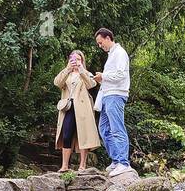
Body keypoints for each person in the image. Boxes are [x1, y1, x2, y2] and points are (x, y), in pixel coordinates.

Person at [92, 28, 132, 177]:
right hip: (107, 96)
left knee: (117, 128)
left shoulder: (120, 53)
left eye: (101, 42)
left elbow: (121, 74)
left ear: (108, 38)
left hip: (116, 95)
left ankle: (123, 163)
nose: (100, 46)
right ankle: (116, 160)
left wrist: (104, 76)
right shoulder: (111, 55)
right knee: (103, 129)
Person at [53, 50, 100, 172]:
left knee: (83, 135)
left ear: (82, 61)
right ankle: (64, 165)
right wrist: (68, 69)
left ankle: (82, 165)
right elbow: (57, 82)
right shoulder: (66, 73)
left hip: (83, 108)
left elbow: (91, 84)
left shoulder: (86, 73)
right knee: (66, 134)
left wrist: (81, 70)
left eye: (79, 59)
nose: (76, 62)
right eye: (73, 59)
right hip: (68, 107)